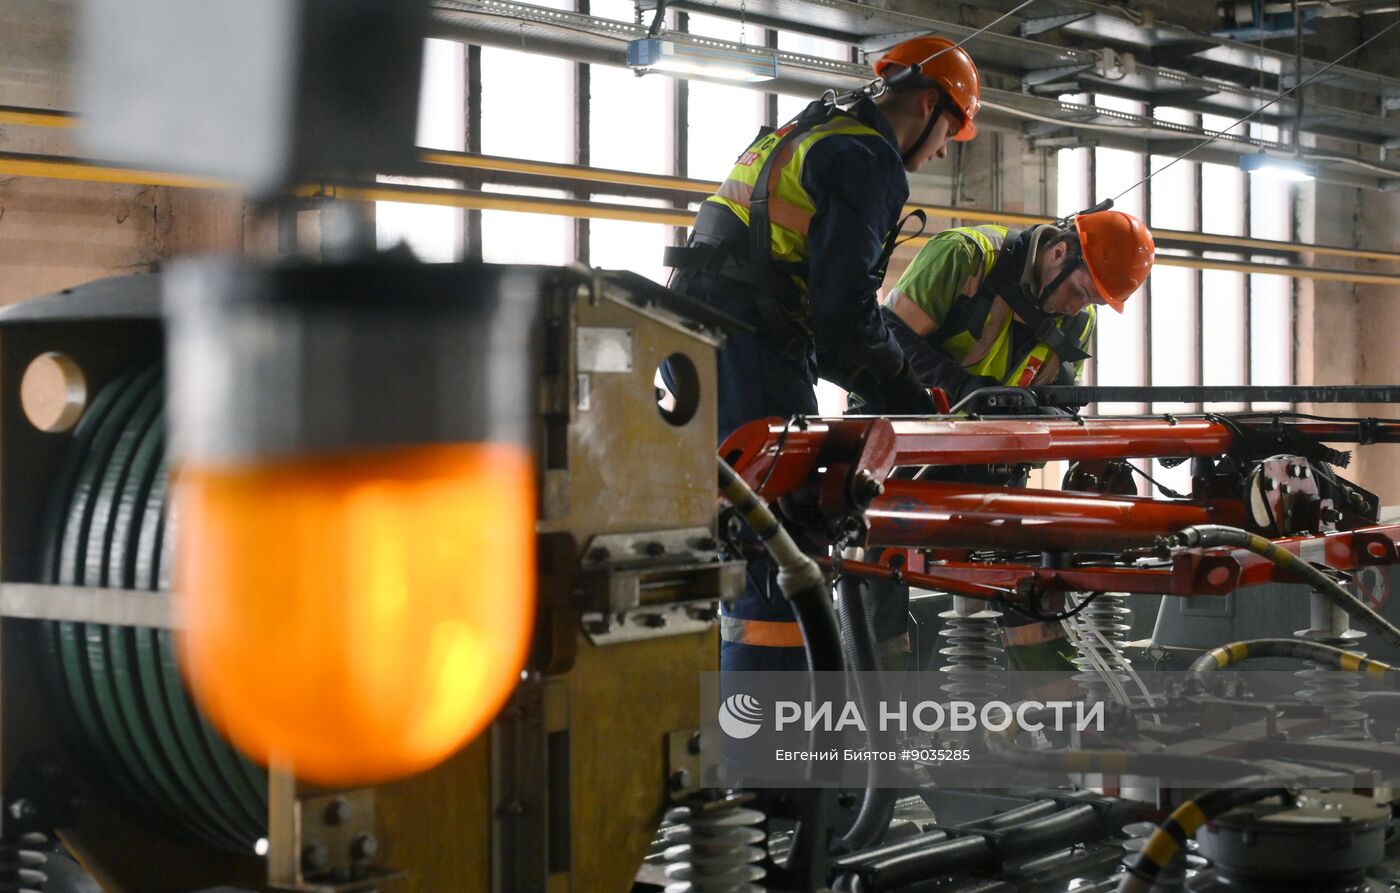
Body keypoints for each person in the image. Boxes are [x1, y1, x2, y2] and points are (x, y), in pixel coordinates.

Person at [665, 36, 983, 672]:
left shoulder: (812, 129)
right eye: (950, 131)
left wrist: (880, 379)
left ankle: (745, 708)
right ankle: (769, 728)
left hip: (696, 338)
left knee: (741, 534)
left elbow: (820, 312)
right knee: (779, 546)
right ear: (928, 105)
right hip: (750, 346)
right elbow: (844, 311)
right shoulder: (868, 159)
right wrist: (903, 388)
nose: (944, 149)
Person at [867, 207, 1156, 669]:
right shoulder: (966, 256)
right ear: (1060, 252)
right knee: (880, 579)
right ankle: (877, 703)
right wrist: (968, 393)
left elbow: (1065, 400)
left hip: (991, 455)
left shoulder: (1078, 320)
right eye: (1080, 292)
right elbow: (888, 338)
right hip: (905, 443)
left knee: (1027, 584)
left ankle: (1054, 706)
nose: (1077, 308)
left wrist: (1043, 413)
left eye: (1092, 302)